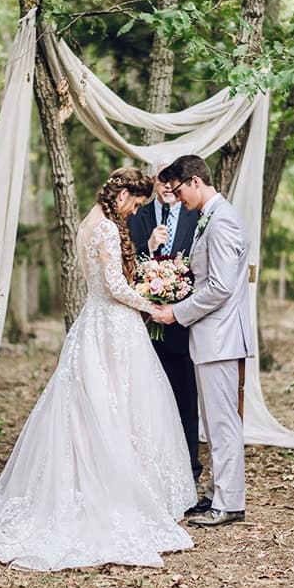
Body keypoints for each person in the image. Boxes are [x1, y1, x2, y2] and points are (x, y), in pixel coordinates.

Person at [0, 167, 196, 570]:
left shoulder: (87, 223)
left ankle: (103, 484)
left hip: (94, 322)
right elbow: (116, 287)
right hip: (113, 325)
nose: (135, 213)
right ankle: (115, 493)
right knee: (114, 407)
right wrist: (151, 303)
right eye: (135, 205)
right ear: (123, 197)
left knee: (93, 406)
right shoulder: (105, 229)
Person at [154, 155, 250, 528]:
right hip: (211, 336)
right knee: (214, 420)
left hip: (221, 336)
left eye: (179, 191)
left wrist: (177, 312)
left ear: (195, 181)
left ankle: (230, 502)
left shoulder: (222, 220)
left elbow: (222, 287)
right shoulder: (209, 217)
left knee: (223, 423)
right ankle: (217, 493)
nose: (177, 199)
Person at [128, 167, 202, 482]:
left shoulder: (193, 215)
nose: (168, 187)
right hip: (144, 321)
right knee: (147, 395)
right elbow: (126, 259)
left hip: (183, 320)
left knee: (185, 393)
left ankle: (189, 466)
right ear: (154, 181)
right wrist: (149, 246)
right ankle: (149, 466)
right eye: (161, 180)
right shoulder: (136, 214)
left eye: (173, 182)